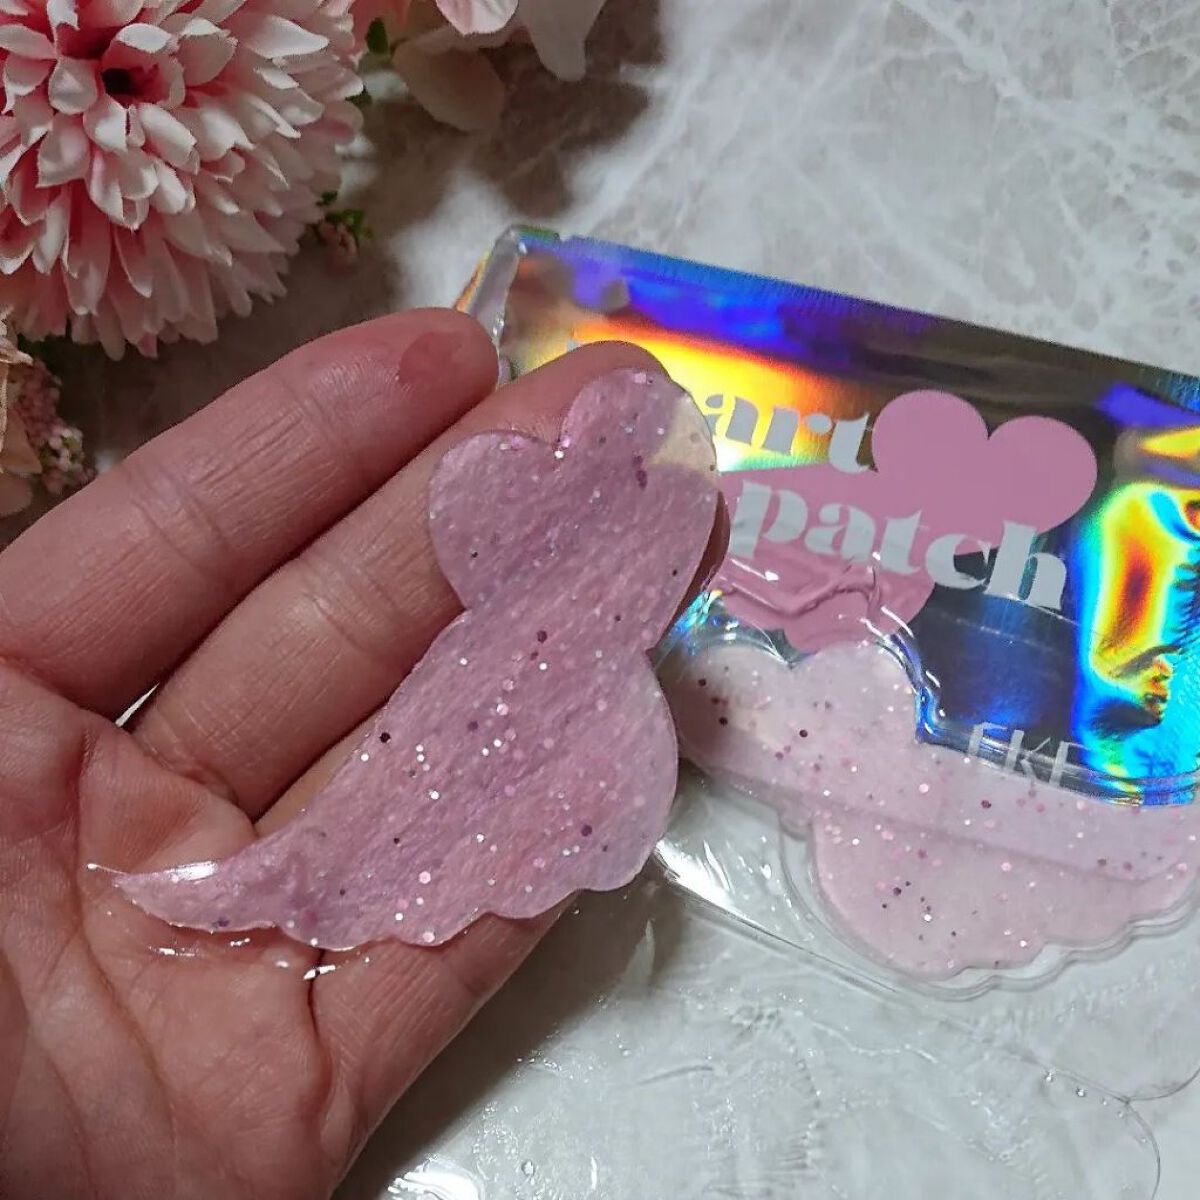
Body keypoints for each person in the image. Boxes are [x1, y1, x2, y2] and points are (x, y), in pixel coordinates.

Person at [0, 311, 720, 1199]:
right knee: (349, 824)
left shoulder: (595, 696)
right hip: (391, 782)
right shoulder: (538, 655)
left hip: (417, 802)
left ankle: (268, 882)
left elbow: (605, 826)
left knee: (357, 831)